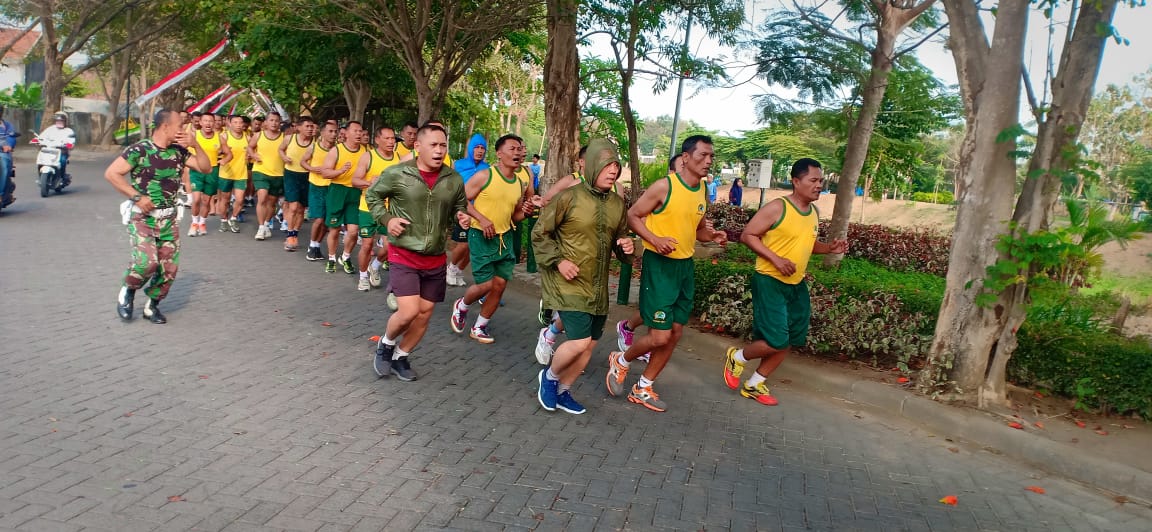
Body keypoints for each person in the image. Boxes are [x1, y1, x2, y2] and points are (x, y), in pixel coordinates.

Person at [605, 135, 727, 412]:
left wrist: (712, 236)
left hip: (685, 267)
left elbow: (696, 229)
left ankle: (644, 387)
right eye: (703, 155)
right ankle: (621, 360)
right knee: (659, 336)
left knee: (674, 333)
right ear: (685, 157)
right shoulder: (664, 187)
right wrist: (655, 239)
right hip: (659, 266)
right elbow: (633, 216)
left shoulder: (702, 190)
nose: (708, 161)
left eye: (711, 157)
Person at [724, 159, 847, 405]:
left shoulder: (813, 212)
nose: (818, 185)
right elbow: (748, 235)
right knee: (776, 340)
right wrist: (776, 259)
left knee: (792, 338)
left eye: (820, 181)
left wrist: (829, 248)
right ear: (796, 181)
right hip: (770, 281)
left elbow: (808, 245)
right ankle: (737, 357)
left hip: (796, 284)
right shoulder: (778, 208)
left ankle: (755, 383)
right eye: (813, 180)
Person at [532, 139, 634, 414]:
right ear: (590, 166)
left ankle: (564, 391)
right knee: (577, 342)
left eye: (616, 165)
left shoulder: (616, 203)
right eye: (606, 165)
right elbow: (540, 233)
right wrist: (559, 261)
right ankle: (549, 378)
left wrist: (626, 247)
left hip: (598, 286)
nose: (612, 171)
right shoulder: (569, 197)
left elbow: (620, 238)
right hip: (569, 282)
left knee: (588, 346)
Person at [366, 124, 468, 381]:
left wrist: (460, 217)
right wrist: (387, 219)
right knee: (409, 311)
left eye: (443, 145)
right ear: (417, 146)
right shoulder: (398, 173)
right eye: (433, 145)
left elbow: (459, 206)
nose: (439, 150)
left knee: (424, 314)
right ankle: (386, 345)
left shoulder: (453, 179)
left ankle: (401, 356)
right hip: (404, 252)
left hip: (435, 256)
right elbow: (373, 196)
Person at [106, 109, 210, 323]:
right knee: (147, 263)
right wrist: (137, 197)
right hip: (144, 216)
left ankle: (152, 306)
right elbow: (112, 173)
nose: (183, 130)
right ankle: (128, 290)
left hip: (169, 219)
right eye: (179, 125)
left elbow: (205, 168)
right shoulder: (140, 149)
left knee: (168, 268)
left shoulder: (179, 151)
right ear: (165, 126)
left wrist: (196, 145)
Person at [450, 134, 533, 344]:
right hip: (480, 236)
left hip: (505, 239)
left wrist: (528, 212)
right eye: (512, 149)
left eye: (519, 149)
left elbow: (514, 215)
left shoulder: (518, 183)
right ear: (499, 153)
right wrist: (481, 218)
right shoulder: (485, 175)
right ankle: (462, 305)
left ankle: (479, 327)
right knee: (486, 285)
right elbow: (461, 199)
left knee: (500, 285)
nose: (517, 153)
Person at [351, 126, 400, 292]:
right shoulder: (368, 156)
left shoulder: (398, 159)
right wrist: (369, 182)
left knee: (389, 246)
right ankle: (363, 277)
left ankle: (376, 265)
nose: (391, 141)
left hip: (388, 209)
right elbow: (355, 181)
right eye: (387, 138)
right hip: (368, 207)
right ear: (377, 139)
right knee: (367, 244)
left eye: (393, 138)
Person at [319, 121, 366, 274]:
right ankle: (332, 258)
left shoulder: (365, 152)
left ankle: (345, 257)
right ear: (345, 133)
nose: (359, 134)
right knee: (334, 229)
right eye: (355, 131)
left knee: (353, 230)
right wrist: (339, 171)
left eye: (361, 131)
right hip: (337, 191)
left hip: (355, 192)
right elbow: (325, 172)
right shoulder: (336, 151)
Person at [447, 133, 489, 287]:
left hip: (479, 211)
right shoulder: (458, 165)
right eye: (476, 147)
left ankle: (458, 270)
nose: (479, 151)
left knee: (474, 245)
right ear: (471, 149)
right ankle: (451, 268)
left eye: (482, 148)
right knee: (463, 244)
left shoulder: (487, 169)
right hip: (462, 209)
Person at [187, 112, 230, 237]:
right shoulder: (194, 135)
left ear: (215, 123)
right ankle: (194, 223)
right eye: (205, 121)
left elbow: (229, 154)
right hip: (197, 170)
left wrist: (224, 160)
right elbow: (184, 150)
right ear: (200, 122)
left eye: (211, 121)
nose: (208, 123)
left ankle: (202, 223)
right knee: (196, 200)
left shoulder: (219, 138)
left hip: (212, 171)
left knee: (206, 201)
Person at [279, 116, 317, 252]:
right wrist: (284, 157)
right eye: (307, 126)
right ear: (298, 127)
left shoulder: (315, 143)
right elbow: (280, 149)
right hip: (291, 174)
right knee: (293, 206)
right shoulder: (289, 139)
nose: (310, 129)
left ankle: (295, 233)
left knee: (301, 208)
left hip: (307, 176)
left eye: (311, 126)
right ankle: (290, 235)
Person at [301, 121, 338, 261]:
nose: (333, 134)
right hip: (316, 186)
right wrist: (312, 168)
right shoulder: (314, 147)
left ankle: (316, 246)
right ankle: (311, 245)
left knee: (328, 221)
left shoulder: (338, 149)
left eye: (335, 131)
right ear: (322, 132)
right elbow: (303, 162)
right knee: (319, 218)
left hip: (332, 187)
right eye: (330, 131)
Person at [247, 112, 285, 241]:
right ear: (266, 123)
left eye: (276, 121)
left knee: (272, 202)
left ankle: (267, 223)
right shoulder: (258, 135)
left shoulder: (285, 138)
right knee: (262, 197)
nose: (274, 123)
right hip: (261, 170)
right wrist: (253, 155)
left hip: (278, 174)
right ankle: (261, 227)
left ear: (280, 123)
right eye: (271, 120)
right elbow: (250, 148)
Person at [217, 115, 249, 233]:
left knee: (240, 199)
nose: (238, 125)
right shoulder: (224, 136)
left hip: (241, 173)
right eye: (235, 122)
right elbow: (217, 151)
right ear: (229, 124)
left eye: (240, 123)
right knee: (224, 199)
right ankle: (223, 220)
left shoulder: (247, 137)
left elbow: (252, 151)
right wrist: (220, 152)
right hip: (226, 173)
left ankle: (234, 218)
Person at [38, 112, 76, 184]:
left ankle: (62, 177)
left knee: (62, 161)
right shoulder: (50, 129)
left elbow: (71, 141)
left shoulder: (68, 131)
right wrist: (37, 140)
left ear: (65, 121)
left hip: (62, 152)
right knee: (41, 160)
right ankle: (41, 177)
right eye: (58, 120)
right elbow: (41, 137)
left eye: (61, 121)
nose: (59, 122)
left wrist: (69, 145)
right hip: (48, 151)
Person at [0, 106, 17, 208]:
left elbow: (11, 137)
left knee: (2, 164)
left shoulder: (7, 125)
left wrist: (9, 145)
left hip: (2, 153)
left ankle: (1, 194)